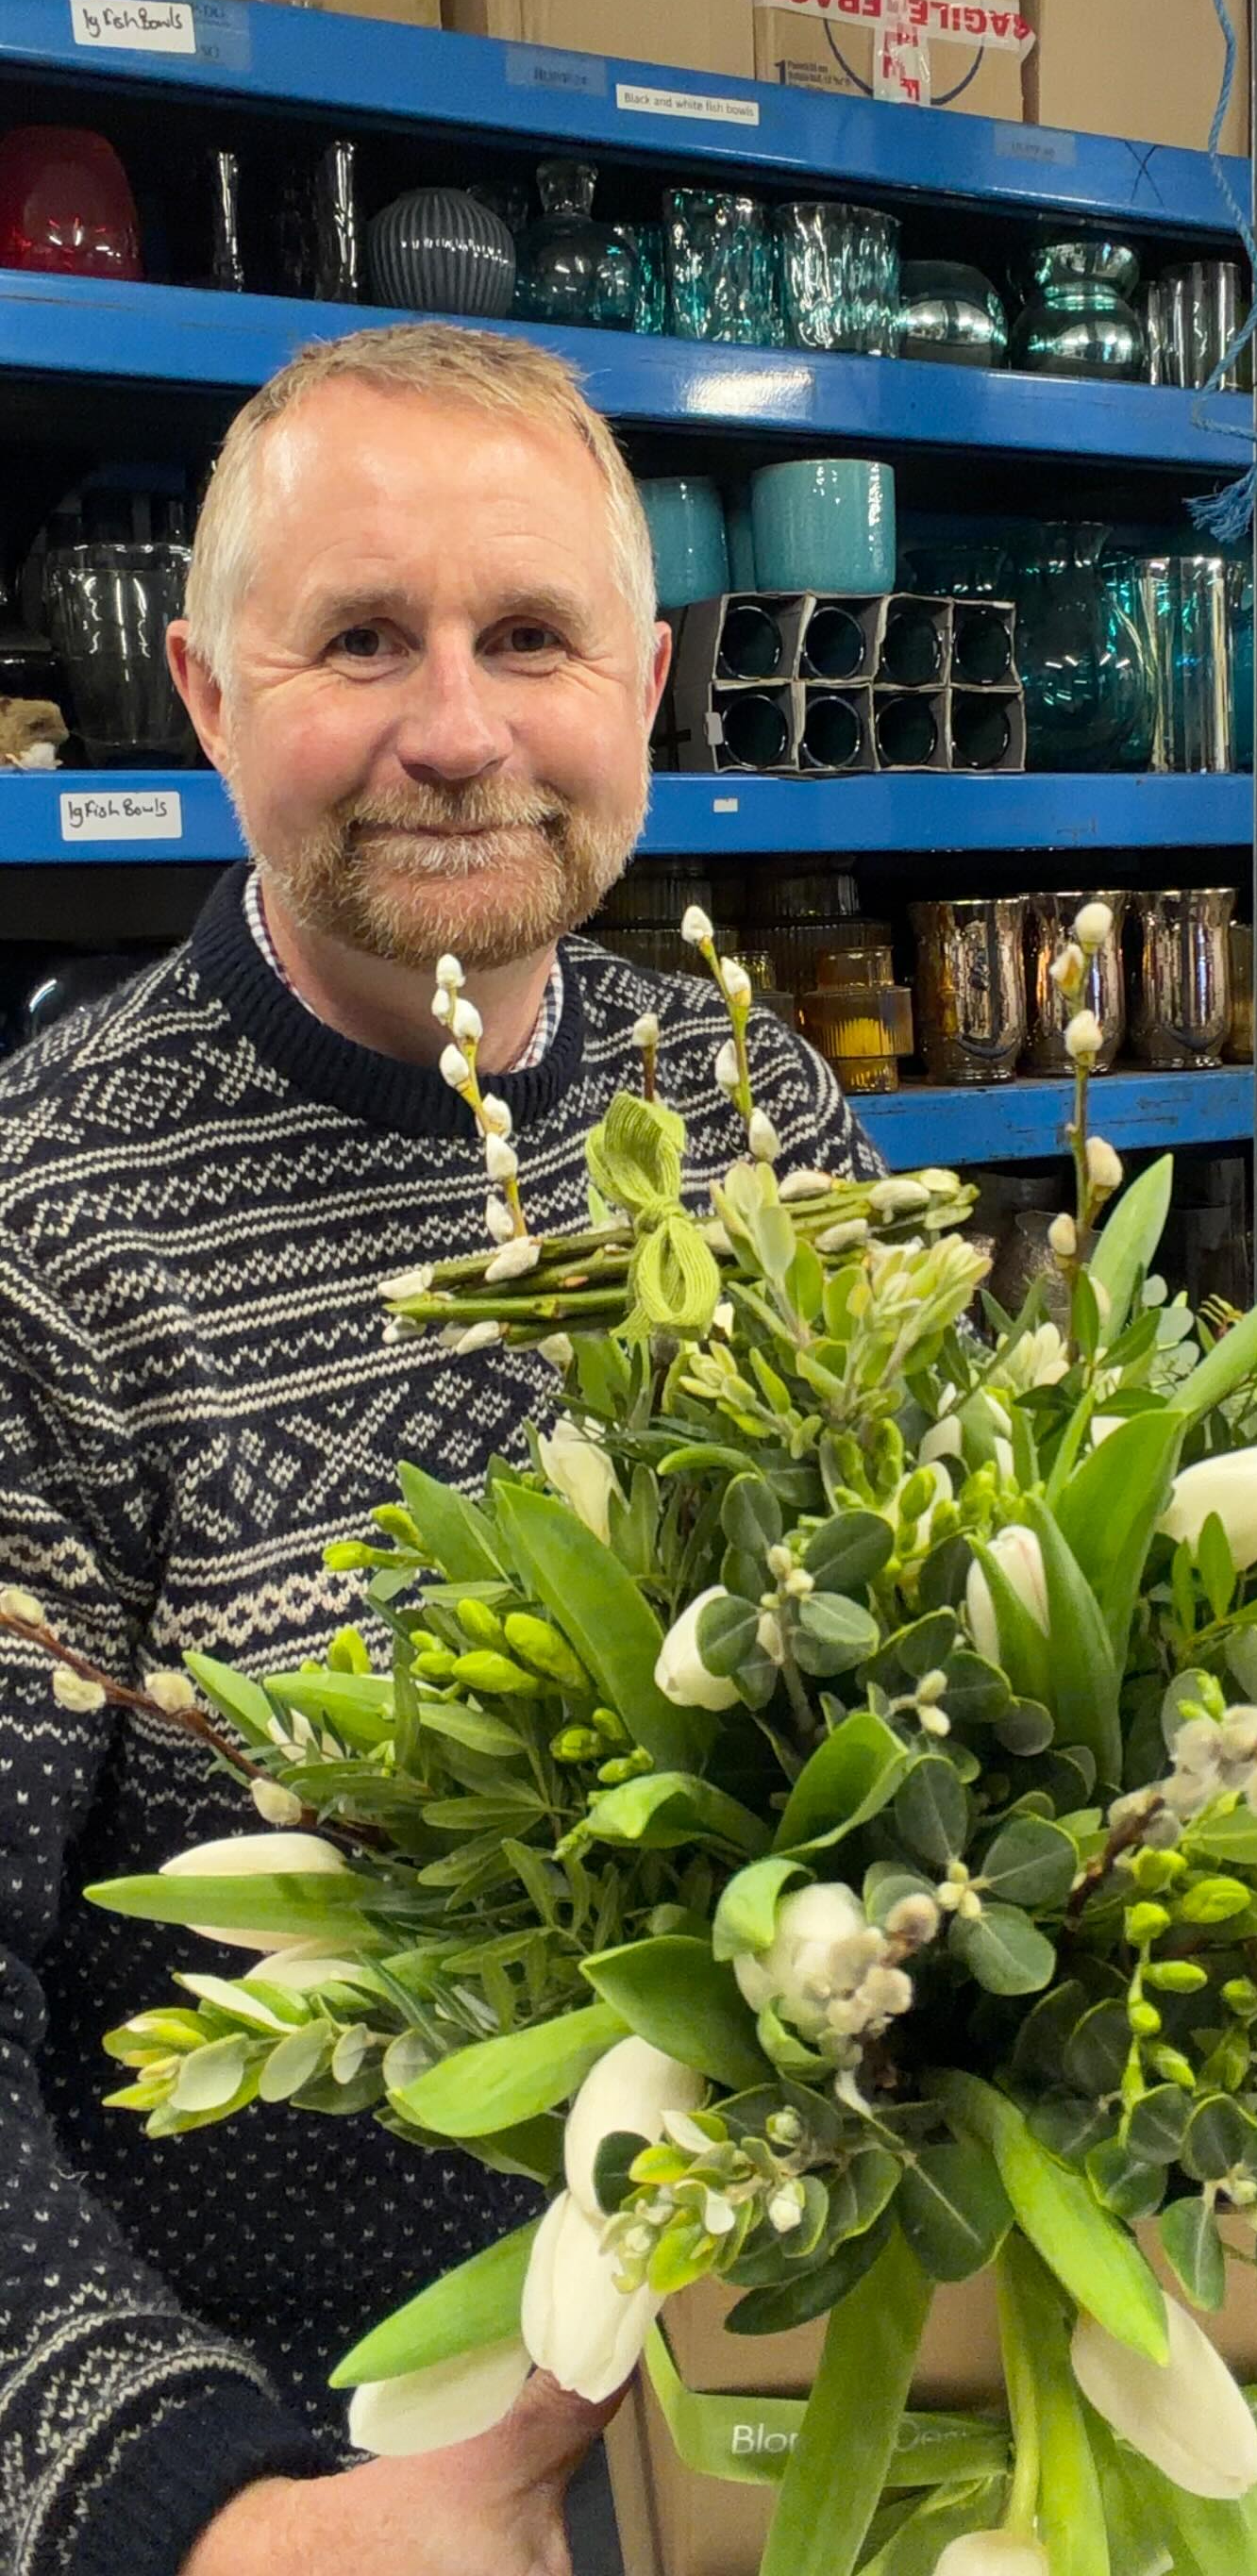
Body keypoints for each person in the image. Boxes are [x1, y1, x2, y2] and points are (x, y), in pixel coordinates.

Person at [0, 323, 880, 2576]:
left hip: (804, 2381)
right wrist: (191, 2506)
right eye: (362, 639)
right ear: (204, 696)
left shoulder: (762, 1119)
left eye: (530, 638)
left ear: (650, 682)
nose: (461, 728)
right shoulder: (44, 1235)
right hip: (331, 2463)